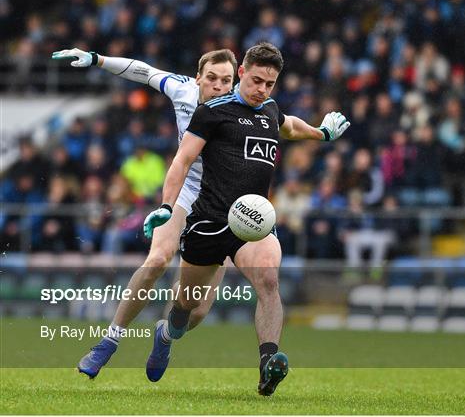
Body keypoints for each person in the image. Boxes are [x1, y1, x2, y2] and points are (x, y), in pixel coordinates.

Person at [142, 42, 350, 395]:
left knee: (269, 281)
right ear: (241, 72)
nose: (262, 90)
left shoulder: (269, 108)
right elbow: (182, 160)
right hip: (208, 220)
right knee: (190, 309)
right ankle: (167, 332)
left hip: (251, 222)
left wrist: (321, 132)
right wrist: (166, 205)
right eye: (256, 81)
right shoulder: (212, 111)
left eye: (269, 84)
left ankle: (268, 363)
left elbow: (290, 127)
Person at [51, 47, 237, 378]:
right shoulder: (182, 90)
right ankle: (108, 342)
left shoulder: (244, 109)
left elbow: (283, 125)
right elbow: (142, 70)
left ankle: (165, 335)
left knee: (194, 311)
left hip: (221, 207)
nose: (218, 86)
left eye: (226, 80)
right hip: (186, 194)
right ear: (198, 78)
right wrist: (98, 59)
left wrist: (320, 132)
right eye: (211, 78)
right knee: (156, 260)